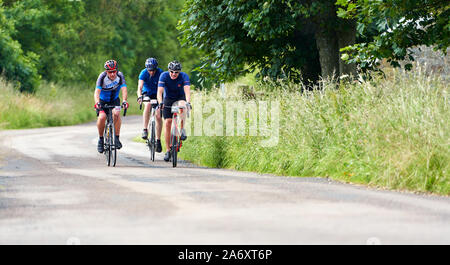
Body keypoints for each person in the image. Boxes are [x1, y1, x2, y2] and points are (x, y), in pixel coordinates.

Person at [157, 60, 191, 162]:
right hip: (168, 99)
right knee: (167, 122)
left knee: (183, 105)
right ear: (169, 71)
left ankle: (182, 128)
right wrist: (160, 102)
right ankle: (168, 150)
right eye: (171, 72)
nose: (174, 74)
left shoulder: (184, 76)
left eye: (176, 72)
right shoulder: (164, 76)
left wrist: (188, 102)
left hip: (180, 97)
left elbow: (187, 91)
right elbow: (159, 92)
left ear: (179, 72)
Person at [94, 59, 129, 153]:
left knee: (117, 113)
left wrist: (125, 101)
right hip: (103, 101)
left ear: (116, 70)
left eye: (114, 71)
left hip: (114, 100)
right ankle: (101, 140)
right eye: (110, 72)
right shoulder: (102, 77)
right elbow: (97, 92)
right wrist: (97, 102)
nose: (112, 74)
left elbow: (124, 89)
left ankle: (116, 138)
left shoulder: (120, 76)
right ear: (106, 72)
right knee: (102, 117)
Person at [137, 57, 164, 152]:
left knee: (158, 115)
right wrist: (140, 96)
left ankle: (158, 140)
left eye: (153, 70)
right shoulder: (143, 73)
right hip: (147, 93)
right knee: (147, 105)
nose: (151, 72)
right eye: (150, 70)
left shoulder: (161, 73)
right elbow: (139, 87)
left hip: (158, 94)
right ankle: (145, 129)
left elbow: (164, 86)